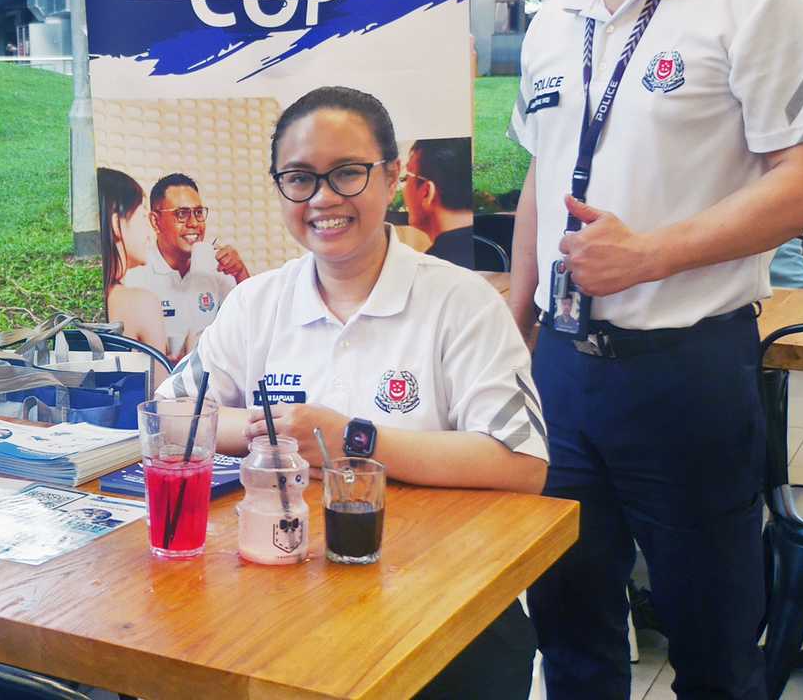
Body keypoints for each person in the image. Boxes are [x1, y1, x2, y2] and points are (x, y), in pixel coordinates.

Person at [507, 0, 803, 700]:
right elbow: (540, 172)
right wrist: (517, 321)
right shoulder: (554, 18)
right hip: (562, 375)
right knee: (570, 633)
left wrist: (648, 254)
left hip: (687, 370)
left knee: (713, 645)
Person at [158, 86, 547, 700]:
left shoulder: (461, 301)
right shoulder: (257, 303)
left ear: (392, 177)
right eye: (299, 178)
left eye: (347, 173)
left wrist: (352, 441)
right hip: (285, 602)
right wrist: (274, 436)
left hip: (444, 612)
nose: (323, 198)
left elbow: (521, 464)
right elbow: (170, 415)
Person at [125, 173, 251, 360]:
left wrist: (240, 273)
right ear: (155, 221)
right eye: (182, 214)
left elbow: (251, 324)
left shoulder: (217, 266)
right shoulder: (135, 276)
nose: (194, 223)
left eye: (198, 213)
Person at [97, 168, 169, 367]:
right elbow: (160, 385)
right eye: (144, 216)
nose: (150, 231)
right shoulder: (142, 303)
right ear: (116, 223)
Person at [401, 137, 475, 267]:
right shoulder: (495, 248)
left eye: (406, 178)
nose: (403, 189)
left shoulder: (429, 270)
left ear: (426, 192)